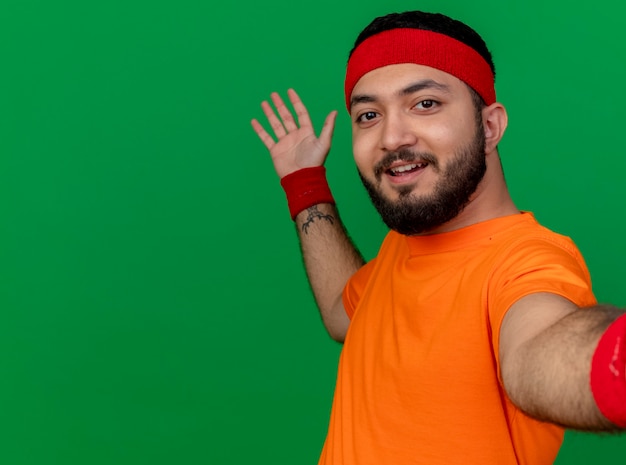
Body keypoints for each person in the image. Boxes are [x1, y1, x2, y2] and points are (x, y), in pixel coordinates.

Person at [251, 10, 626, 465]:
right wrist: (305, 184)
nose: (392, 136)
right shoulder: (403, 244)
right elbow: (341, 313)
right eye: (369, 114)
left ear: (490, 127)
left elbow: (536, 355)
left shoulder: (526, 261)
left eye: (425, 103)